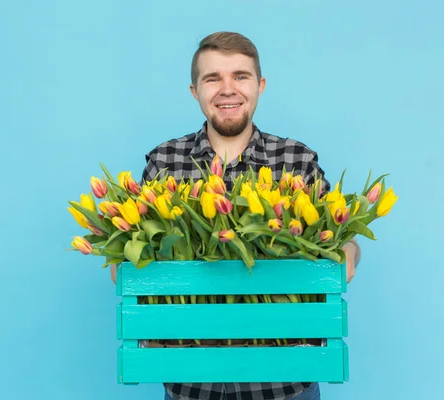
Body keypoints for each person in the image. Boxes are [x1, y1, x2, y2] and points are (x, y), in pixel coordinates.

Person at [111, 31, 361, 400]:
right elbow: (133, 250)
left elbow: (341, 237)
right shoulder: (165, 161)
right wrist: (122, 265)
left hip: (285, 383)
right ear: (195, 91)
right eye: (213, 78)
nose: (228, 90)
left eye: (240, 76)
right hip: (191, 384)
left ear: (259, 85)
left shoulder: (296, 159)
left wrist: (348, 255)